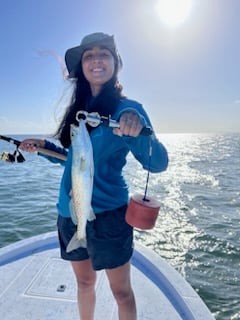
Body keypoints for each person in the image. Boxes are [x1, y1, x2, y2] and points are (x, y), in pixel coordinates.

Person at [20, 32, 168, 320]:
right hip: (70, 212)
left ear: (115, 63)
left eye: (104, 53)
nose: (96, 60)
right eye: (89, 55)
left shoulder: (128, 110)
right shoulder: (79, 112)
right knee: (85, 282)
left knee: (121, 292)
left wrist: (137, 133)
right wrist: (44, 148)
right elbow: (76, 161)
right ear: (82, 67)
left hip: (110, 216)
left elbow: (158, 163)